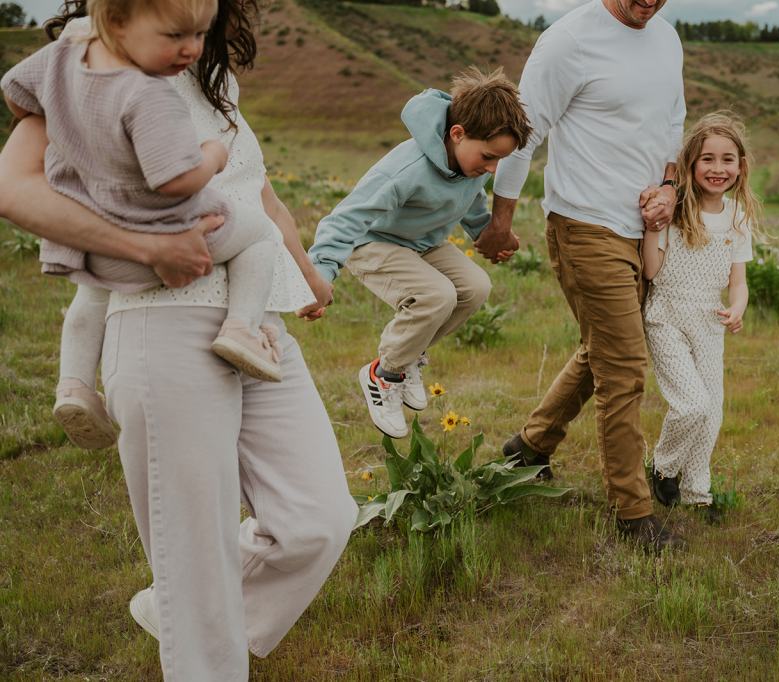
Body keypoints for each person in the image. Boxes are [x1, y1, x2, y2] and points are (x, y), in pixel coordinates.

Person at [0, 2, 357, 679]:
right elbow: (12, 187)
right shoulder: (81, 65)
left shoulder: (204, 63)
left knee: (319, 518)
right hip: (160, 322)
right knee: (196, 560)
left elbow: (253, 182)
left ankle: (183, 615)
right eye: (179, 29)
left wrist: (304, 267)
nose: (193, 39)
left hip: (255, 320)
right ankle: (195, 631)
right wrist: (142, 245)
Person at [1, 0, 282, 450]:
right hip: (172, 234)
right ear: (119, 23)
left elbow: (15, 94)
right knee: (260, 235)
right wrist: (212, 154)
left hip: (98, 243)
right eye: (176, 36)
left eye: (199, 35)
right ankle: (242, 329)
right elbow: (174, 180)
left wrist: (67, 117)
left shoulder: (65, 55)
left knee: (88, 299)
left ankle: (73, 386)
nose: (191, 49)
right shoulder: (149, 92)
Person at [477, 0, 686, 550]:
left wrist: (669, 187)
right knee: (625, 366)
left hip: (642, 231)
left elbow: (672, 122)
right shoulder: (568, 41)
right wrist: (500, 220)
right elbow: (522, 134)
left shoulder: (667, 39)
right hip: (583, 226)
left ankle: (529, 447)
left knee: (606, 349)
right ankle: (632, 511)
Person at [308, 67, 531, 439]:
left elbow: (470, 200)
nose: (491, 169)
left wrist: (487, 234)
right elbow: (346, 218)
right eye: (489, 157)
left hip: (422, 244)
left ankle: (408, 358)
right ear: (457, 134)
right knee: (435, 295)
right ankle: (384, 374)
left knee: (476, 287)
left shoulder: (468, 161)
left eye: (498, 161)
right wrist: (320, 274)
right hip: (372, 242)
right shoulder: (407, 168)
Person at [642, 111, 764, 521]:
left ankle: (697, 492)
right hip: (669, 314)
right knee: (692, 404)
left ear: (740, 167)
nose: (717, 168)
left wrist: (737, 308)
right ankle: (662, 467)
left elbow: (739, 281)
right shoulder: (675, 211)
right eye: (707, 159)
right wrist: (652, 227)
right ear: (691, 162)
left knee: (712, 412)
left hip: (710, 320)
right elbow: (652, 271)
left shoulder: (737, 217)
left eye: (727, 159)